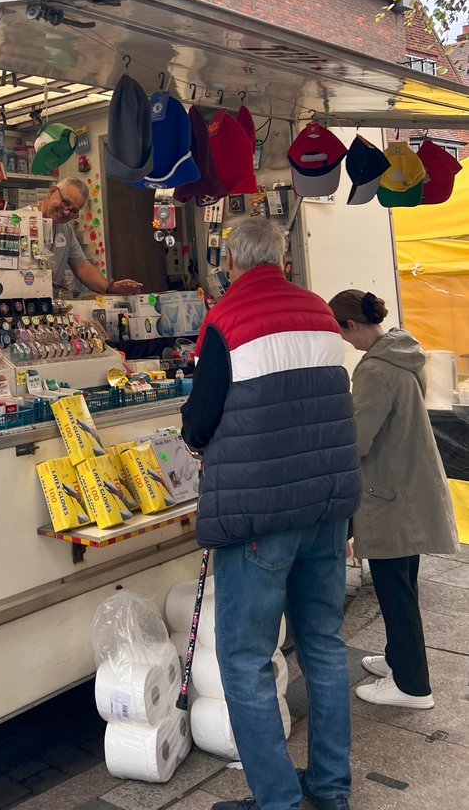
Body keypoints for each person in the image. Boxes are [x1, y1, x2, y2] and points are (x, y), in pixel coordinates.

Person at [181, 218, 360, 810]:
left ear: (230, 260)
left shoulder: (227, 319)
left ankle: (278, 801)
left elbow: (200, 420)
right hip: (326, 507)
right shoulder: (319, 312)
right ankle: (332, 790)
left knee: (246, 659)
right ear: (281, 258)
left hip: (260, 517)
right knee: (324, 647)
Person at [327, 289, 459, 710]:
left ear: (351, 325)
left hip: (389, 495)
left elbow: (357, 439)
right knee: (403, 583)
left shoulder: (376, 371)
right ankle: (400, 660)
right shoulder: (403, 353)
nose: (345, 342)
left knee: (394, 589)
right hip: (408, 488)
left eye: (342, 332)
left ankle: (413, 686)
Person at [32, 178, 142, 296]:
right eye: (65, 203)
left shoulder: (65, 230)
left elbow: (82, 267)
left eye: (74, 210)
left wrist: (109, 287)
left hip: (45, 304)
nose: (66, 212)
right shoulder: (20, 221)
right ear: (52, 192)